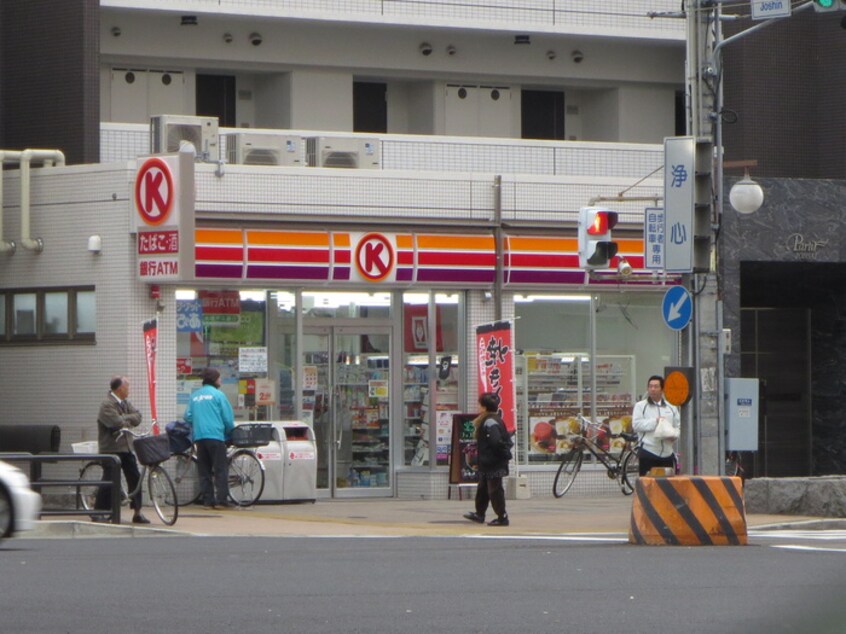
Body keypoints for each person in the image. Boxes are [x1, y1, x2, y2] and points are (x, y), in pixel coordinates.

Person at [94, 375, 149, 524]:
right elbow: (116, 423)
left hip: (127, 446)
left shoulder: (124, 403)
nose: (129, 389)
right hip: (111, 448)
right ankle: (97, 511)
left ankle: (137, 512)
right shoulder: (107, 404)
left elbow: (138, 417)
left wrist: (125, 418)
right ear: (119, 389)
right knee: (109, 478)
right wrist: (127, 419)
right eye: (127, 386)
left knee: (135, 477)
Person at [184, 368, 236, 509]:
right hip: (215, 435)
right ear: (214, 380)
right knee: (220, 469)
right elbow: (227, 418)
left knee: (204, 469)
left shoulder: (195, 396)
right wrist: (230, 431)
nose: (221, 381)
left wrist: (198, 420)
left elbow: (187, 416)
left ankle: (208, 500)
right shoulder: (218, 395)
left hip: (200, 436)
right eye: (219, 378)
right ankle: (221, 500)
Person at [463, 392, 513, 527]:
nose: (478, 407)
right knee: (483, 489)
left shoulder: (490, 421)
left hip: (494, 462)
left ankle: (502, 517)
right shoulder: (490, 419)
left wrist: (495, 456)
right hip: (488, 462)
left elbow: (496, 442)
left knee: (494, 490)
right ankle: (480, 514)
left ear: (484, 407)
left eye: (479, 405)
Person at [632, 375, 681, 477]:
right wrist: (655, 422)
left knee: (666, 486)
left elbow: (678, 426)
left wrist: (674, 436)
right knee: (648, 486)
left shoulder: (671, 407)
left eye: (656, 386)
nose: (652, 389)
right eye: (650, 386)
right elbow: (636, 425)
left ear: (662, 389)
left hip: (667, 453)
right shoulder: (640, 406)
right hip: (648, 452)